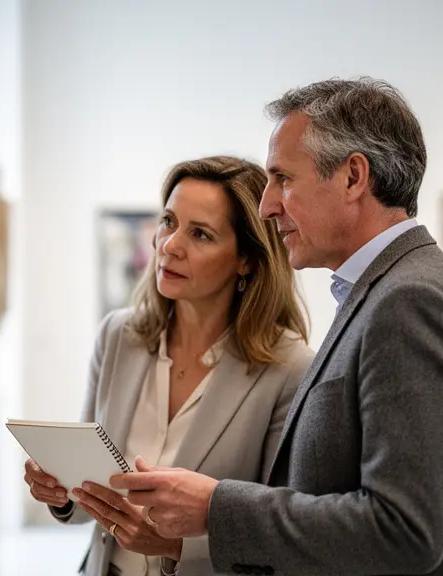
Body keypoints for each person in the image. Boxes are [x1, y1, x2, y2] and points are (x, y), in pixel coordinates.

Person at [111, 77, 443, 576]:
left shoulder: (411, 302)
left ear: (353, 177)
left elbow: (405, 531)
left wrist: (216, 508)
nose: (267, 205)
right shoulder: (393, 290)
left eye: (283, 178)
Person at [24, 156, 314, 576]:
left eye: (200, 234)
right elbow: (87, 493)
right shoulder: (118, 336)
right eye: (168, 222)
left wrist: (175, 546)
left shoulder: (289, 369)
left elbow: (279, 533)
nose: (170, 245)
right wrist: (62, 492)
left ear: (247, 259)